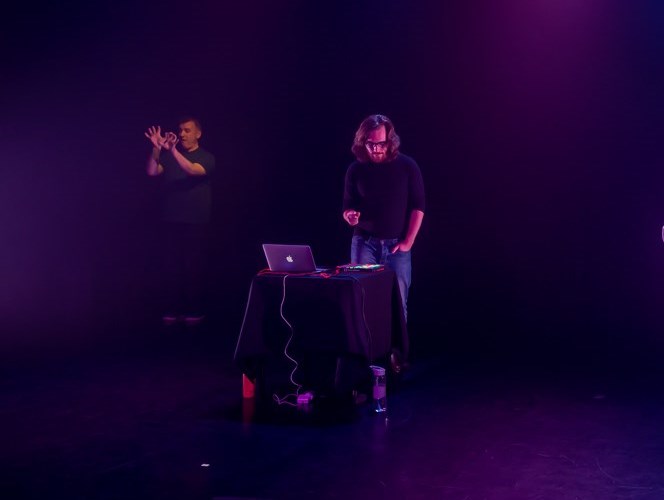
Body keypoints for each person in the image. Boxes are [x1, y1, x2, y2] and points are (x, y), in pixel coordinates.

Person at [342, 114, 425, 322]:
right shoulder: (355, 169)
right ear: (363, 142)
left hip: (397, 246)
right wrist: (350, 216)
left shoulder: (407, 166)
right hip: (364, 244)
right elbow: (347, 206)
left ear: (390, 141)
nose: (376, 149)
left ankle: (396, 354)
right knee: (363, 300)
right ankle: (368, 354)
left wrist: (408, 242)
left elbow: (418, 206)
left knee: (398, 303)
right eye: (371, 144)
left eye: (381, 143)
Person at [144, 117, 216, 326]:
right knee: (170, 266)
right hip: (171, 220)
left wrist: (173, 150)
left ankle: (195, 310)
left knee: (193, 267)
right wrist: (157, 149)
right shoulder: (168, 157)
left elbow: (193, 170)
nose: (182, 134)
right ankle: (172, 310)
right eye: (180, 130)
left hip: (196, 221)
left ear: (198, 134)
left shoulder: (207, 157)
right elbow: (151, 171)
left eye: (187, 130)